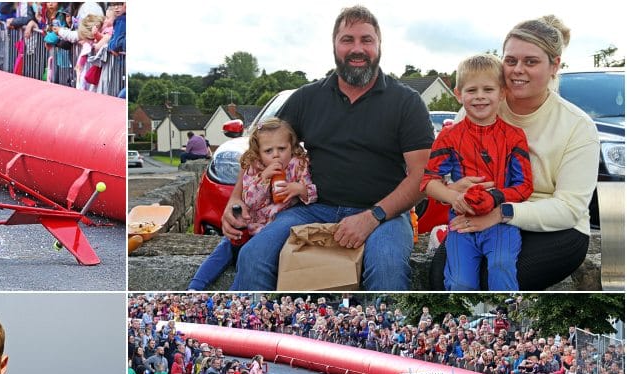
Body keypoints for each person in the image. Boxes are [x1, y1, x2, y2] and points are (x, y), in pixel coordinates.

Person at [224, 5, 433, 291]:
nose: (357, 49)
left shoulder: (406, 102)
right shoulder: (307, 98)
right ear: (334, 45)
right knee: (253, 256)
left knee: (387, 270)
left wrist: (373, 216)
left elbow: (424, 176)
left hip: (385, 214)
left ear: (379, 45)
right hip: (313, 208)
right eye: (348, 39)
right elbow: (259, 149)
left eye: (366, 40)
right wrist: (235, 201)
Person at [432, 15, 599, 290]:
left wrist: (501, 212)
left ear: (554, 65)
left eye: (530, 62)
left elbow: (569, 208)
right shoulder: (479, 105)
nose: (517, 70)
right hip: (482, 212)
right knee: (443, 277)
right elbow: (445, 172)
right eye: (510, 61)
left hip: (554, 226)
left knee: (492, 278)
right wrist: (455, 190)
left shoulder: (577, 126)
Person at [421, 54, 533, 290]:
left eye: (488, 89)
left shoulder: (515, 137)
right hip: (462, 222)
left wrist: (495, 197)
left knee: (502, 267)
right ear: (458, 94)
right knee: (460, 281)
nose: (480, 96)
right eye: (472, 90)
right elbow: (429, 181)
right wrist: (455, 197)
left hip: (501, 222)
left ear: (502, 93)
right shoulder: (448, 136)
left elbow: (524, 186)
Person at [188, 118, 317, 291]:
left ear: (292, 146)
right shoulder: (254, 167)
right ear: (259, 152)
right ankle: (195, 286)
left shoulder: (298, 164)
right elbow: (249, 200)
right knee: (224, 248)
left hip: (273, 228)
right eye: (268, 151)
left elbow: (313, 194)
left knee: (250, 258)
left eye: (282, 149)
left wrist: (299, 189)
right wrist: (264, 179)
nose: (276, 155)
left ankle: (234, 294)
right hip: (250, 223)